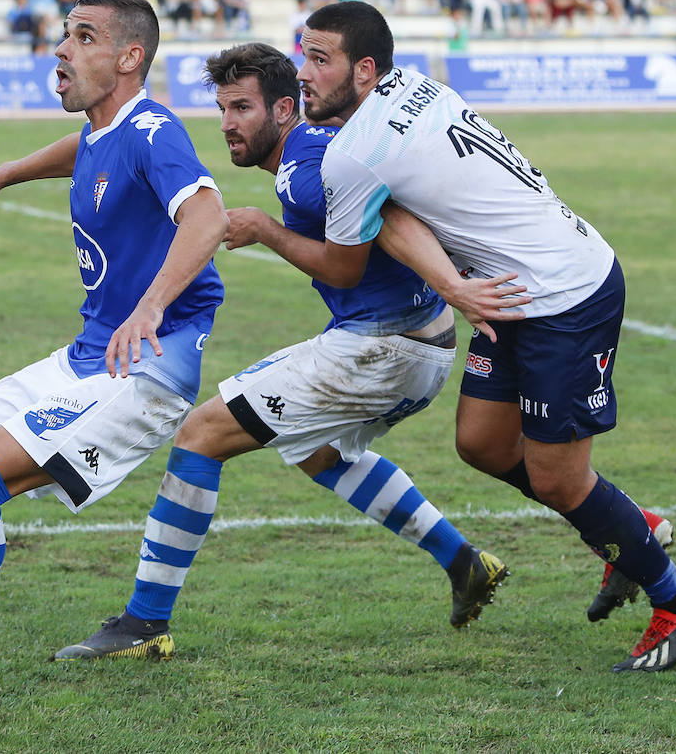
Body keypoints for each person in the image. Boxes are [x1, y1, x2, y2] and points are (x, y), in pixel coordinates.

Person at [51, 41, 513, 662]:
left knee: (200, 435)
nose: (227, 125)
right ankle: (464, 562)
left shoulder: (304, 164)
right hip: (414, 344)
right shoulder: (308, 157)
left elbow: (388, 219)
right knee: (316, 450)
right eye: (221, 109)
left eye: (242, 108)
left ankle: (145, 623)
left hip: (385, 347)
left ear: (286, 110)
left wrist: (267, 230)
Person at [0, 0, 228, 736]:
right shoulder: (105, 128)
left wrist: (152, 306)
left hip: (145, 365)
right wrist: (2, 173)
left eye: (82, 37)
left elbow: (208, 215)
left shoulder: (154, 129)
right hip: (89, 354)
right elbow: (81, 155)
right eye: (64, 33)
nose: (61, 49)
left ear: (129, 58)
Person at [297, 0, 676, 674]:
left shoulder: (354, 154)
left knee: (555, 476)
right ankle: (635, 528)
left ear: (366, 71)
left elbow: (346, 263)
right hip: (510, 291)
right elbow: (394, 206)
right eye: (302, 55)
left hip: (562, 296)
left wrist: (265, 231)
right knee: (483, 444)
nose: (303, 74)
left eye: (319, 59)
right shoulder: (418, 85)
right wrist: (456, 286)